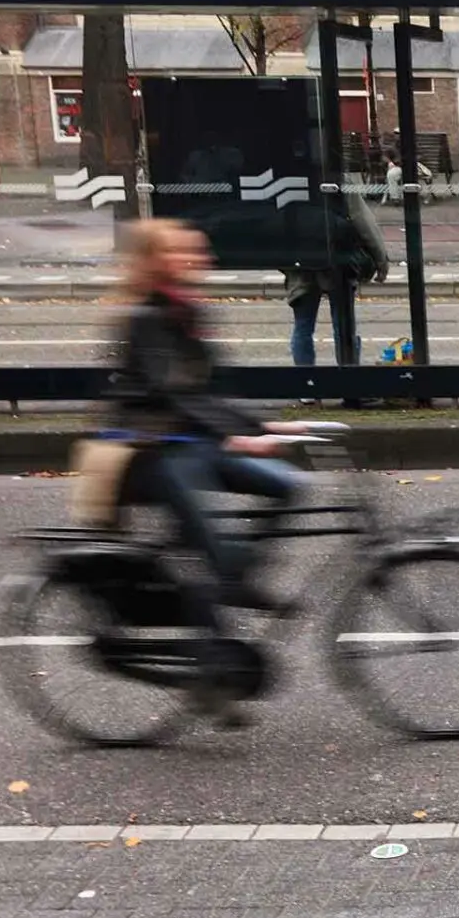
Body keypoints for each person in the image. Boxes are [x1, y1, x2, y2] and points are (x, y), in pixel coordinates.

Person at [103, 219, 309, 725]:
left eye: (197, 251)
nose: (199, 259)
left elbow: (204, 395)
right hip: (152, 453)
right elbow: (171, 396)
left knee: (290, 485)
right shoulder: (144, 317)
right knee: (210, 551)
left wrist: (266, 426)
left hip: (192, 444)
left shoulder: (185, 311)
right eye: (184, 252)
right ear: (155, 261)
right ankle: (210, 676)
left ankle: (235, 581)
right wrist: (237, 439)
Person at [283, 190, 389, 405]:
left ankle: (307, 387)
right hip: (337, 263)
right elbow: (362, 219)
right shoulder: (336, 176)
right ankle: (349, 384)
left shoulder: (288, 176)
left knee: (303, 326)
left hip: (300, 264)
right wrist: (380, 258)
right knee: (344, 327)